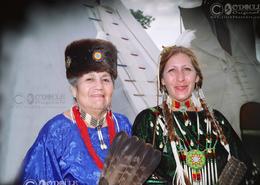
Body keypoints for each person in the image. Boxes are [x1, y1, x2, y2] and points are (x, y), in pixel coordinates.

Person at [132, 45, 260, 185]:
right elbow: (138, 177)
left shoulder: (217, 120)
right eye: (172, 71)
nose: (180, 78)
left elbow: (247, 171)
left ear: (197, 77)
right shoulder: (149, 120)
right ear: (162, 80)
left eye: (187, 69)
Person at [20, 38, 132, 185]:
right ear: (74, 89)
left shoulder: (122, 124)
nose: (99, 86)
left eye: (105, 79)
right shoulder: (56, 132)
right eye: (89, 79)